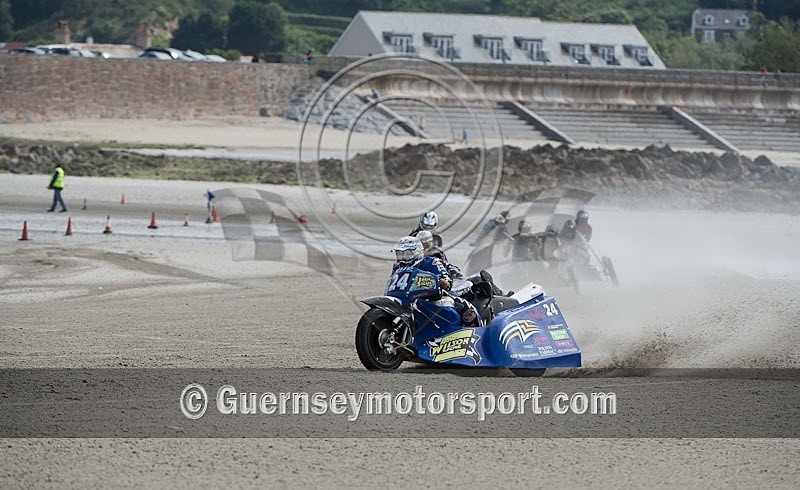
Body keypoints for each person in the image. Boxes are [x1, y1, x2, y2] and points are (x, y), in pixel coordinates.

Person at [389, 236, 479, 327]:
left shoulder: (431, 262)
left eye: (407, 254)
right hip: (407, 299)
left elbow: (446, 280)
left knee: (466, 309)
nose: (403, 258)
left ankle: (478, 332)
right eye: (400, 254)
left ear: (417, 252)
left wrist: (443, 281)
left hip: (435, 297)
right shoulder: (397, 268)